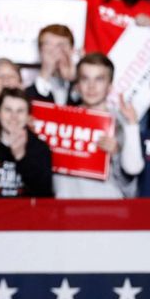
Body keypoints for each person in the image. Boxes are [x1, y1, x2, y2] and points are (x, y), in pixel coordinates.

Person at [53, 53, 134, 199]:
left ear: (109, 87)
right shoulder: (61, 119)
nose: (91, 86)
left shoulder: (123, 124)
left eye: (99, 79)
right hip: (66, 210)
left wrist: (115, 154)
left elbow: (131, 188)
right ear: (77, 85)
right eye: (85, 78)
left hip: (107, 210)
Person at [25, 25, 76, 105]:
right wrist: (45, 73)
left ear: (72, 50)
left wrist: (73, 80)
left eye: (60, 46)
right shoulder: (26, 84)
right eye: (48, 46)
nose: (54, 53)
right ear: (40, 51)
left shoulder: (80, 86)